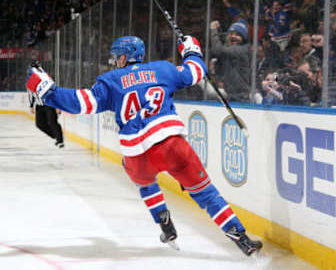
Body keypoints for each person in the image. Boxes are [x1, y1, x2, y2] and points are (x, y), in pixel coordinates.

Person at [26, 35, 262, 256]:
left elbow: (81, 103)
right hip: (172, 146)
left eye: (116, 56)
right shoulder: (164, 69)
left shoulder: (110, 80)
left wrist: (48, 90)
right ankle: (241, 239)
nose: (114, 60)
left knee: (145, 183)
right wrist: (190, 48)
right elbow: (196, 71)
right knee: (206, 194)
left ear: (123, 57)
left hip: (137, 156)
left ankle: (165, 225)